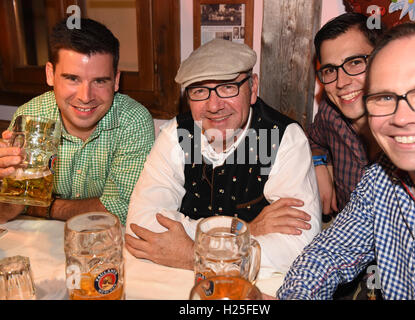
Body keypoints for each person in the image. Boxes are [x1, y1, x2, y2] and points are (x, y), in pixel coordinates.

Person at [278, 21, 415, 300]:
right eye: (383, 97)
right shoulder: (379, 183)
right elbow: (327, 254)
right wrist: (320, 165)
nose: (401, 117)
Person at [125, 39, 321, 277]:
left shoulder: (283, 138)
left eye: (228, 87)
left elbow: (299, 247)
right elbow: (140, 226)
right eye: (199, 91)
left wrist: (193, 254)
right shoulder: (176, 133)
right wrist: (244, 230)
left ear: (253, 88)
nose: (214, 105)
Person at [0, 18, 154, 225]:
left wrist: (44, 207)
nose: (85, 96)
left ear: (116, 81)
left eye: (99, 81)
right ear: (50, 74)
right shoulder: (30, 116)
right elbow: (10, 209)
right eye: (72, 78)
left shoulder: (133, 121)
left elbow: (125, 209)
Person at [308, 13, 383, 217]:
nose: (341, 82)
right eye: (331, 70)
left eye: (355, 62)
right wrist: (319, 166)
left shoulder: (412, 129)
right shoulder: (330, 113)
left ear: (383, 58)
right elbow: (314, 140)